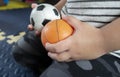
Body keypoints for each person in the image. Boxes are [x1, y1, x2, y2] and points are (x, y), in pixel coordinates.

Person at [12, 0, 120, 77]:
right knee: (21, 51)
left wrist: (100, 41)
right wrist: (55, 11)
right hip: (63, 27)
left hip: (108, 49)